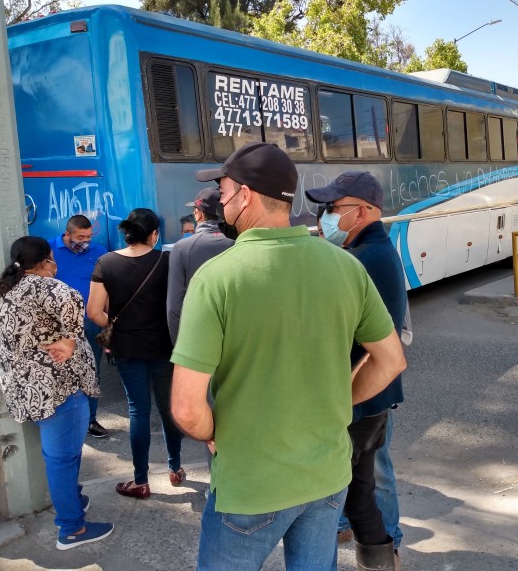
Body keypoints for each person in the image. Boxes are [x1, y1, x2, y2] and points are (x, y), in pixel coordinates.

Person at [170, 142, 407, 570]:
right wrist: (338, 401)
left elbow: (187, 409)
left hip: (251, 484)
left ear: (244, 195)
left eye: (223, 192)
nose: (220, 202)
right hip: (327, 477)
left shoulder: (217, 278)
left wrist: (213, 432)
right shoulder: (346, 267)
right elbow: (391, 361)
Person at [306, 171, 408, 567]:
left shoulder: (362, 260)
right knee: (360, 489)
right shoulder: (372, 252)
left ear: (362, 211)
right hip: (372, 398)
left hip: (357, 398)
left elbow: (359, 342)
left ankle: (376, 553)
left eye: (333, 208)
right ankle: (382, 558)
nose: (326, 217)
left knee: (329, 498)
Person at [0, 236, 113, 550]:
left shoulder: (2, 290)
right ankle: (72, 528)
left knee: (59, 457)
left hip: (25, 389)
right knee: (62, 459)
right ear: (45, 261)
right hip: (57, 389)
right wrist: (70, 341)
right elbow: (73, 298)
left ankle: (74, 498)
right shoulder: (47, 287)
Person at [87, 208, 186, 496]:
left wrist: (117, 323)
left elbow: (94, 312)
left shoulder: (105, 263)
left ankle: (140, 481)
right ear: (154, 234)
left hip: (127, 348)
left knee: (138, 412)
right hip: (165, 346)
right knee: (169, 410)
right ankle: (175, 469)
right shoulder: (167, 261)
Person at [48, 215, 109, 438]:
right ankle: (63, 420)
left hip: (90, 320)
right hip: (59, 325)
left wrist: (107, 318)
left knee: (92, 370)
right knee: (60, 370)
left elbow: (107, 285)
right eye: (80, 237)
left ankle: (90, 420)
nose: (85, 241)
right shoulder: (49, 250)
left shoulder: (98, 251)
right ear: (68, 234)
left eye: (89, 236)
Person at [167, 187, 234, 344]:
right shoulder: (238, 243)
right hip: (233, 338)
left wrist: (179, 346)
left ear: (199, 213)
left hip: (197, 338)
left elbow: (174, 307)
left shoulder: (182, 248)